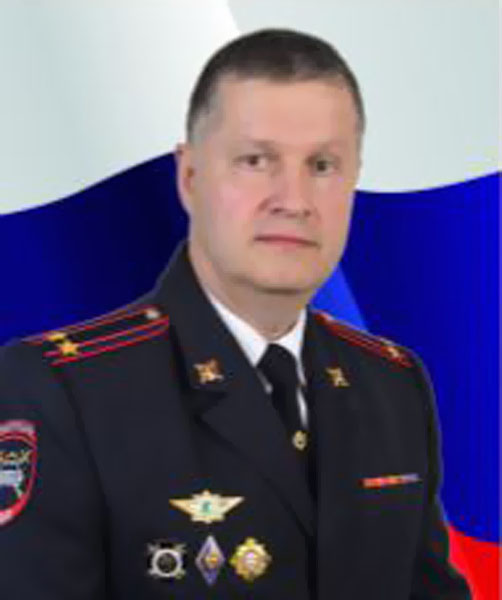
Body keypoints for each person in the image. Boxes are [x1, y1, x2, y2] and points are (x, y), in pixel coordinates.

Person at [0, 28, 471, 599]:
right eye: (255, 160)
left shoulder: (392, 384)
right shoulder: (61, 392)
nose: (294, 200)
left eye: (323, 165)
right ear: (190, 177)